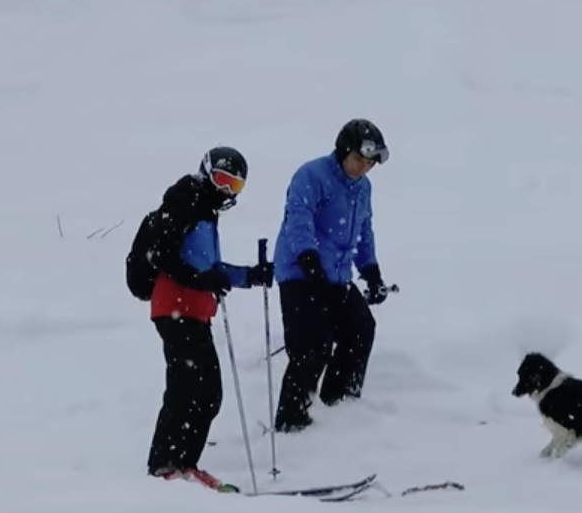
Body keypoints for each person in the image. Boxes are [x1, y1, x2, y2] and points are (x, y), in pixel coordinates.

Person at [137, 146, 274, 487]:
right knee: (186, 387)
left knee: (209, 392)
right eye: (223, 180)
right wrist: (203, 280)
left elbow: (207, 270)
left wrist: (250, 276)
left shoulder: (206, 212)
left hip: (196, 312)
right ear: (206, 173)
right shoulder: (187, 199)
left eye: (235, 186)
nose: (227, 191)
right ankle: (164, 466)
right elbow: (164, 256)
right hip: (174, 308)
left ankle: (185, 463)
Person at [271, 118, 391, 433]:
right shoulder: (312, 175)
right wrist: (308, 259)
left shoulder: (363, 188)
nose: (363, 168)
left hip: (336, 277)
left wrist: (371, 271)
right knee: (313, 347)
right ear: (343, 151)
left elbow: (364, 231)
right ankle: (292, 421)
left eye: (369, 164)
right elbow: (299, 218)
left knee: (361, 327)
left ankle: (339, 406)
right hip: (301, 274)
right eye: (358, 160)